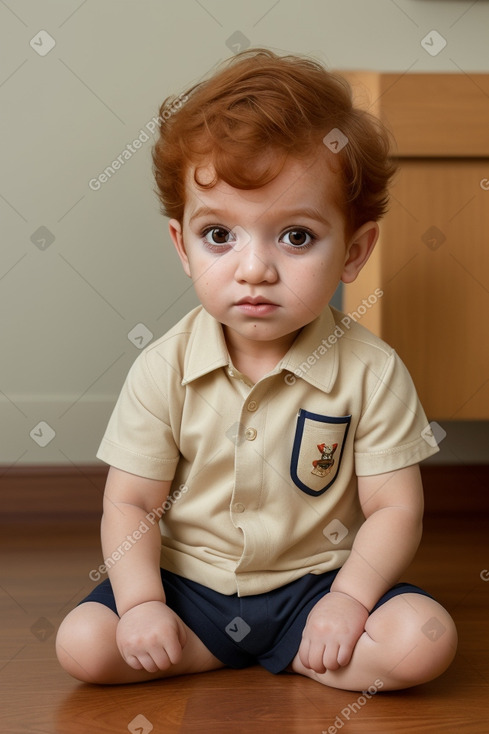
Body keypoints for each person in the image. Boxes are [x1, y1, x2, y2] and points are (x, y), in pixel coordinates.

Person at [56, 49, 457, 690]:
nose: (254, 269)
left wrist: (349, 601)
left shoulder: (372, 371)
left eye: (295, 237)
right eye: (220, 236)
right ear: (183, 246)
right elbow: (132, 501)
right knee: (83, 645)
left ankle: (303, 647)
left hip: (318, 587)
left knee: (421, 641)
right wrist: (140, 605)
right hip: (191, 587)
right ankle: (202, 645)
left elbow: (393, 509)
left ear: (354, 252)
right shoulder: (164, 368)